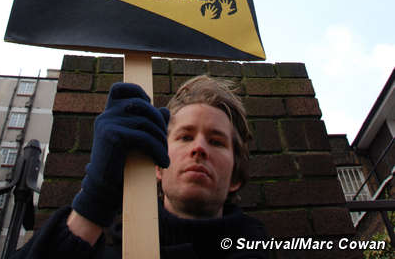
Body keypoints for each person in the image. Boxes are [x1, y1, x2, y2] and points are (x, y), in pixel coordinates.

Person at [13, 75, 269, 258]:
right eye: (185, 137)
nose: (199, 148)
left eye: (216, 141)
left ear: (235, 175)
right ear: (158, 167)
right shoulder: (104, 250)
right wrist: (94, 202)